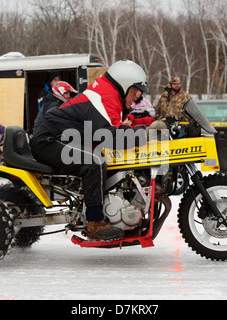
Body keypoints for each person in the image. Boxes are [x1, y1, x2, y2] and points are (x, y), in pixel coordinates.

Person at [30, 60, 149, 241]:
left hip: (65, 139)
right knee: (94, 162)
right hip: (50, 140)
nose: (138, 96)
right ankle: (95, 223)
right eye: (135, 91)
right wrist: (145, 134)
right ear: (124, 84)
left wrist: (146, 124)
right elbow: (111, 136)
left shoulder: (110, 94)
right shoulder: (103, 96)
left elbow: (117, 124)